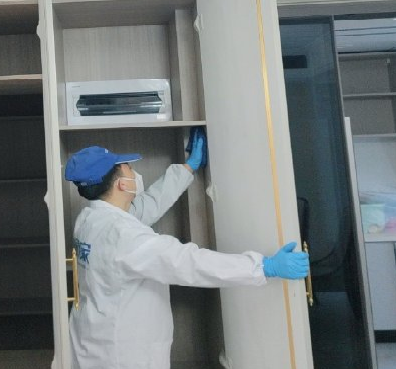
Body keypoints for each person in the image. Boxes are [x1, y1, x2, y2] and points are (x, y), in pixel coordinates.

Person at [64, 130, 310, 369]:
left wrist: (188, 168)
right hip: (123, 355)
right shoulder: (124, 236)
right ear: (121, 184)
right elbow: (190, 262)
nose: (134, 172)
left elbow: (146, 207)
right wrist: (263, 267)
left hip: (94, 340)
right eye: (128, 167)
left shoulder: (90, 219)